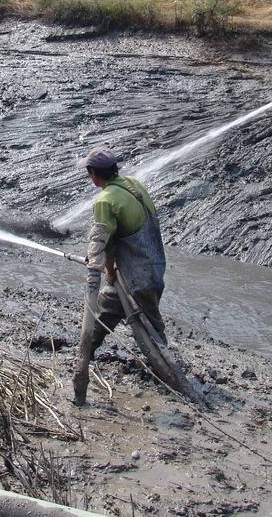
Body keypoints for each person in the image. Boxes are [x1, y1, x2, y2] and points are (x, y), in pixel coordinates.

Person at [72, 147, 167, 406]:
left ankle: (169, 375)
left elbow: (103, 241)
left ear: (94, 174)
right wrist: (112, 272)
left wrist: (103, 268)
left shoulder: (105, 200)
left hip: (136, 276)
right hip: (154, 267)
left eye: (88, 172)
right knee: (107, 310)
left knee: (150, 329)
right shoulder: (132, 184)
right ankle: (85, 352)